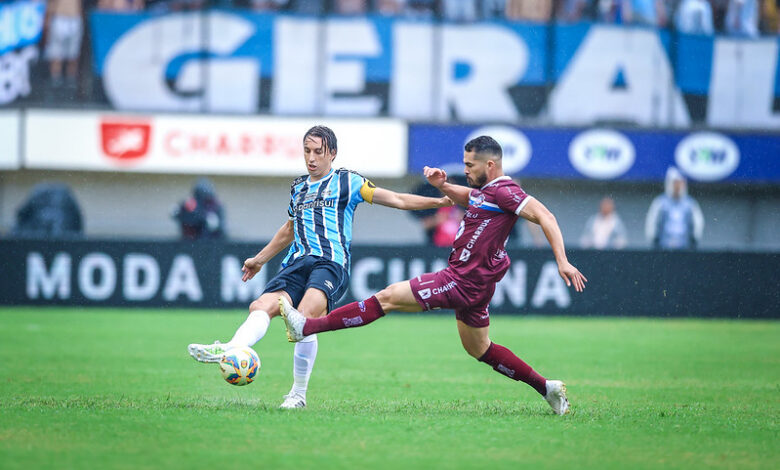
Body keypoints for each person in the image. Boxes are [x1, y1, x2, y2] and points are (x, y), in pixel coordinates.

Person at [278, 136, 587, 415]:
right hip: (475, 285)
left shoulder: (507, 190)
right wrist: (442, 186)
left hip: (462, 280)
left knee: (387, 298)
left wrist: (562, 260)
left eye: (470, 165)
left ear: (490, 165)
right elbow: (468, 197)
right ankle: (547, 388)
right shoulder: (489, 192)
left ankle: (307, 325)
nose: (465, 169)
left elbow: (545, 215)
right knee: (480, 348)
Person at [188, 126, 452, 409]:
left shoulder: (348, 182)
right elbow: (289, 229)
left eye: (318, 152)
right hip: (297, 261)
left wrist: (438, 201)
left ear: (332, 154)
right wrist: (259, 259)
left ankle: (297, 395)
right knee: (261, 305)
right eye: (307, 151)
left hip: (330, 263)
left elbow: (397, 199)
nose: (311, 158)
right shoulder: (298, 187)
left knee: (304, 319)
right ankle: (233, 348)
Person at [645, 167, 704, 250]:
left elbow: (697, 224)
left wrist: (694, 241)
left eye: (680, 183)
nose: (677, 186)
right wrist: (654, 241)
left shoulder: (690, 204)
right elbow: (652, 223)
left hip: (685, 249)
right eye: (675, 183)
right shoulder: (660, 202)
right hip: (663, 248)